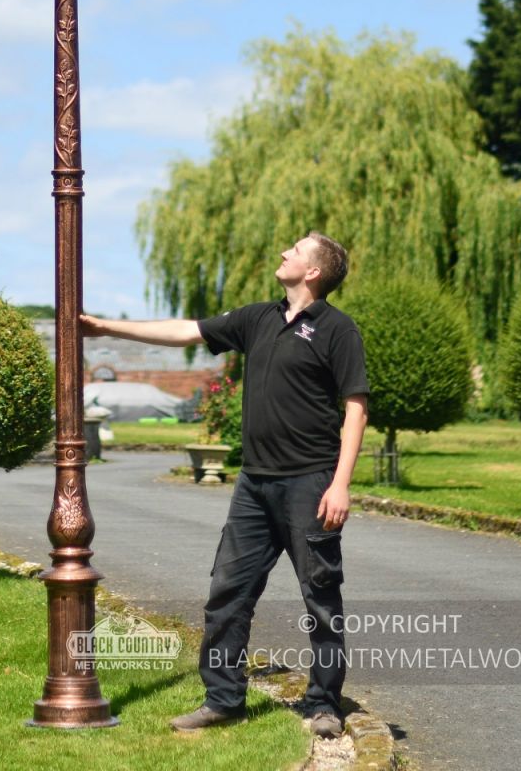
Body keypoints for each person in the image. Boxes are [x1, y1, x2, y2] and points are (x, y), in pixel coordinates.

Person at [81, 232, 368, 738]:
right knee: (227, 592)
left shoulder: (337, 330)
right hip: (254, 485)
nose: (284, 253)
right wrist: (107, 327)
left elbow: (355, 407)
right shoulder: (257, 318)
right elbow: (185, 331)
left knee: (320, 596)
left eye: (296, 251)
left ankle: (324, 703)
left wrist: (340, 484)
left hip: (310, 483)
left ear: (315, 271)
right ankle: (222, 698)